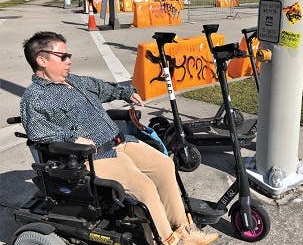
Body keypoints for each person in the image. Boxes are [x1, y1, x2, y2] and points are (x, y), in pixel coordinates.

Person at [20, 31, 219, 245]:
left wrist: (124, 93)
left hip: (120, 142)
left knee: (165, 165)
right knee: (145, 187)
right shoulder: (35, 97)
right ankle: (169, 240)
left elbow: (101, 88)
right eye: (63, 56)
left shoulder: (74, 81)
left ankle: (183, 228)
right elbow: (38, 132)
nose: (69, 60)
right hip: (94, 157)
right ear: (41, 60)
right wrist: (73, 138)